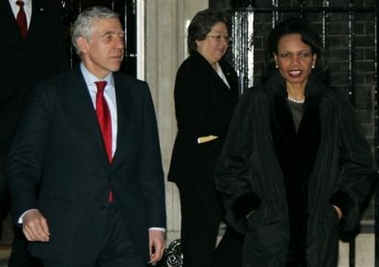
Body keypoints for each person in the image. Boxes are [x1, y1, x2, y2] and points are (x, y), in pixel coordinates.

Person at [7, 5, 166, 267]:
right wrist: (28, 210)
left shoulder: (137, 93)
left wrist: (156, 225)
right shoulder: (51, 94)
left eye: (122, 37)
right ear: (83, 44)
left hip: (126, 229)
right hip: (68, 232)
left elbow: (149, 165)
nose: (119, 45)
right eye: (109, 37)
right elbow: (22, 161)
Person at [214, 17, 377, 267]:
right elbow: (230, 166)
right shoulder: (256, 102)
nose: (295, 62)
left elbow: (361, 164)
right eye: (286, 55)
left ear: (315, 58)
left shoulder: (333, 104)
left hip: (317, 239)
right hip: (268, 240)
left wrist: (336, 209)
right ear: (274, 59)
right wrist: (251, 212)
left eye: (303, 54)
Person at [168, 8, 244, 267]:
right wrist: (237, 124)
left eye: (226, 38)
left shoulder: (227, 71)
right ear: (198, 39)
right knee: (199, 238)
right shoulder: (191, 71)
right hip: (198, 171)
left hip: (222, 168)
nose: (223, 44)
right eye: (217, 37)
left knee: (245, 225)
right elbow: (198, 122)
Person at [0, 0, 69, 266]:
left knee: (32, 207)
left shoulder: (47, 9)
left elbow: (58, 65)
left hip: (38, 129)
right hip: (2, 128)